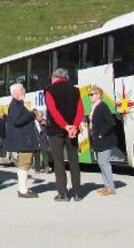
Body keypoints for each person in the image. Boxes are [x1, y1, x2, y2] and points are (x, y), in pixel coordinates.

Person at [44, 68, 84, 201]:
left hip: (56, 131)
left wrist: (65, 126)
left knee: (59, 162)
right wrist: (74, 127)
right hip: (72, 131)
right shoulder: (75, 90)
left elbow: (53, 111)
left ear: (54, 77)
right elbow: (80, 110)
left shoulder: (49, 90)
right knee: (74, 161)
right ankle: (77, 192)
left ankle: (63, 193)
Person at [4, 83, 40, 199]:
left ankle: (23, 188)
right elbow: (17, 121)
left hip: (24, 140)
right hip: (23, 141)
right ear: (15, 93)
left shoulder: (18, 104)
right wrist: (31, 114)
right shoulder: (15, 105)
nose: (25, 91)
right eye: (22, 89)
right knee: (24, 165)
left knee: (25, 164)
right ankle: (22, 190)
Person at [88, 86, 119, 196]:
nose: (90, 96)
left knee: (104, 163)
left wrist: (101, 134)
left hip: (104, 139)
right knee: (101, 163)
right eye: (89, 95)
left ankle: (111, 188)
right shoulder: (95, 107)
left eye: (92, 94)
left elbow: (110, 122)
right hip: (98, 140)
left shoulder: (102, 106)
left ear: (98, 95)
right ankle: (107, 186)